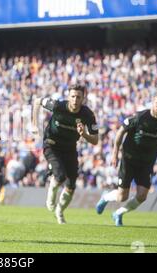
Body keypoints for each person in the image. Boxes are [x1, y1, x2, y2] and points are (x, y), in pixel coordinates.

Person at [95, 92, 157, 226]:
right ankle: (106, 196)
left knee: (142, 196)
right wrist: (115, 153)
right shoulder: (140, 117)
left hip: (147, 163)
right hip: (129, 159)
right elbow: (121, 132)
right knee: (121, 196)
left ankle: (118, 213)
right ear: (153, 103)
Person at [32, 84, 99, 224]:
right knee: (60, 175)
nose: (75, 100)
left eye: (78, 97)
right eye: (73, 96)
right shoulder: (57, 106)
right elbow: (38, 101)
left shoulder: (88, 115)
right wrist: (34, 124)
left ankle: (60, 211)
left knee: (71, 186)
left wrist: (84, 135)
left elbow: (95, 140)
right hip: (52, 145)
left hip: (70, 149)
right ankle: (51, 194)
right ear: (68, 97)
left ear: (83, 99)